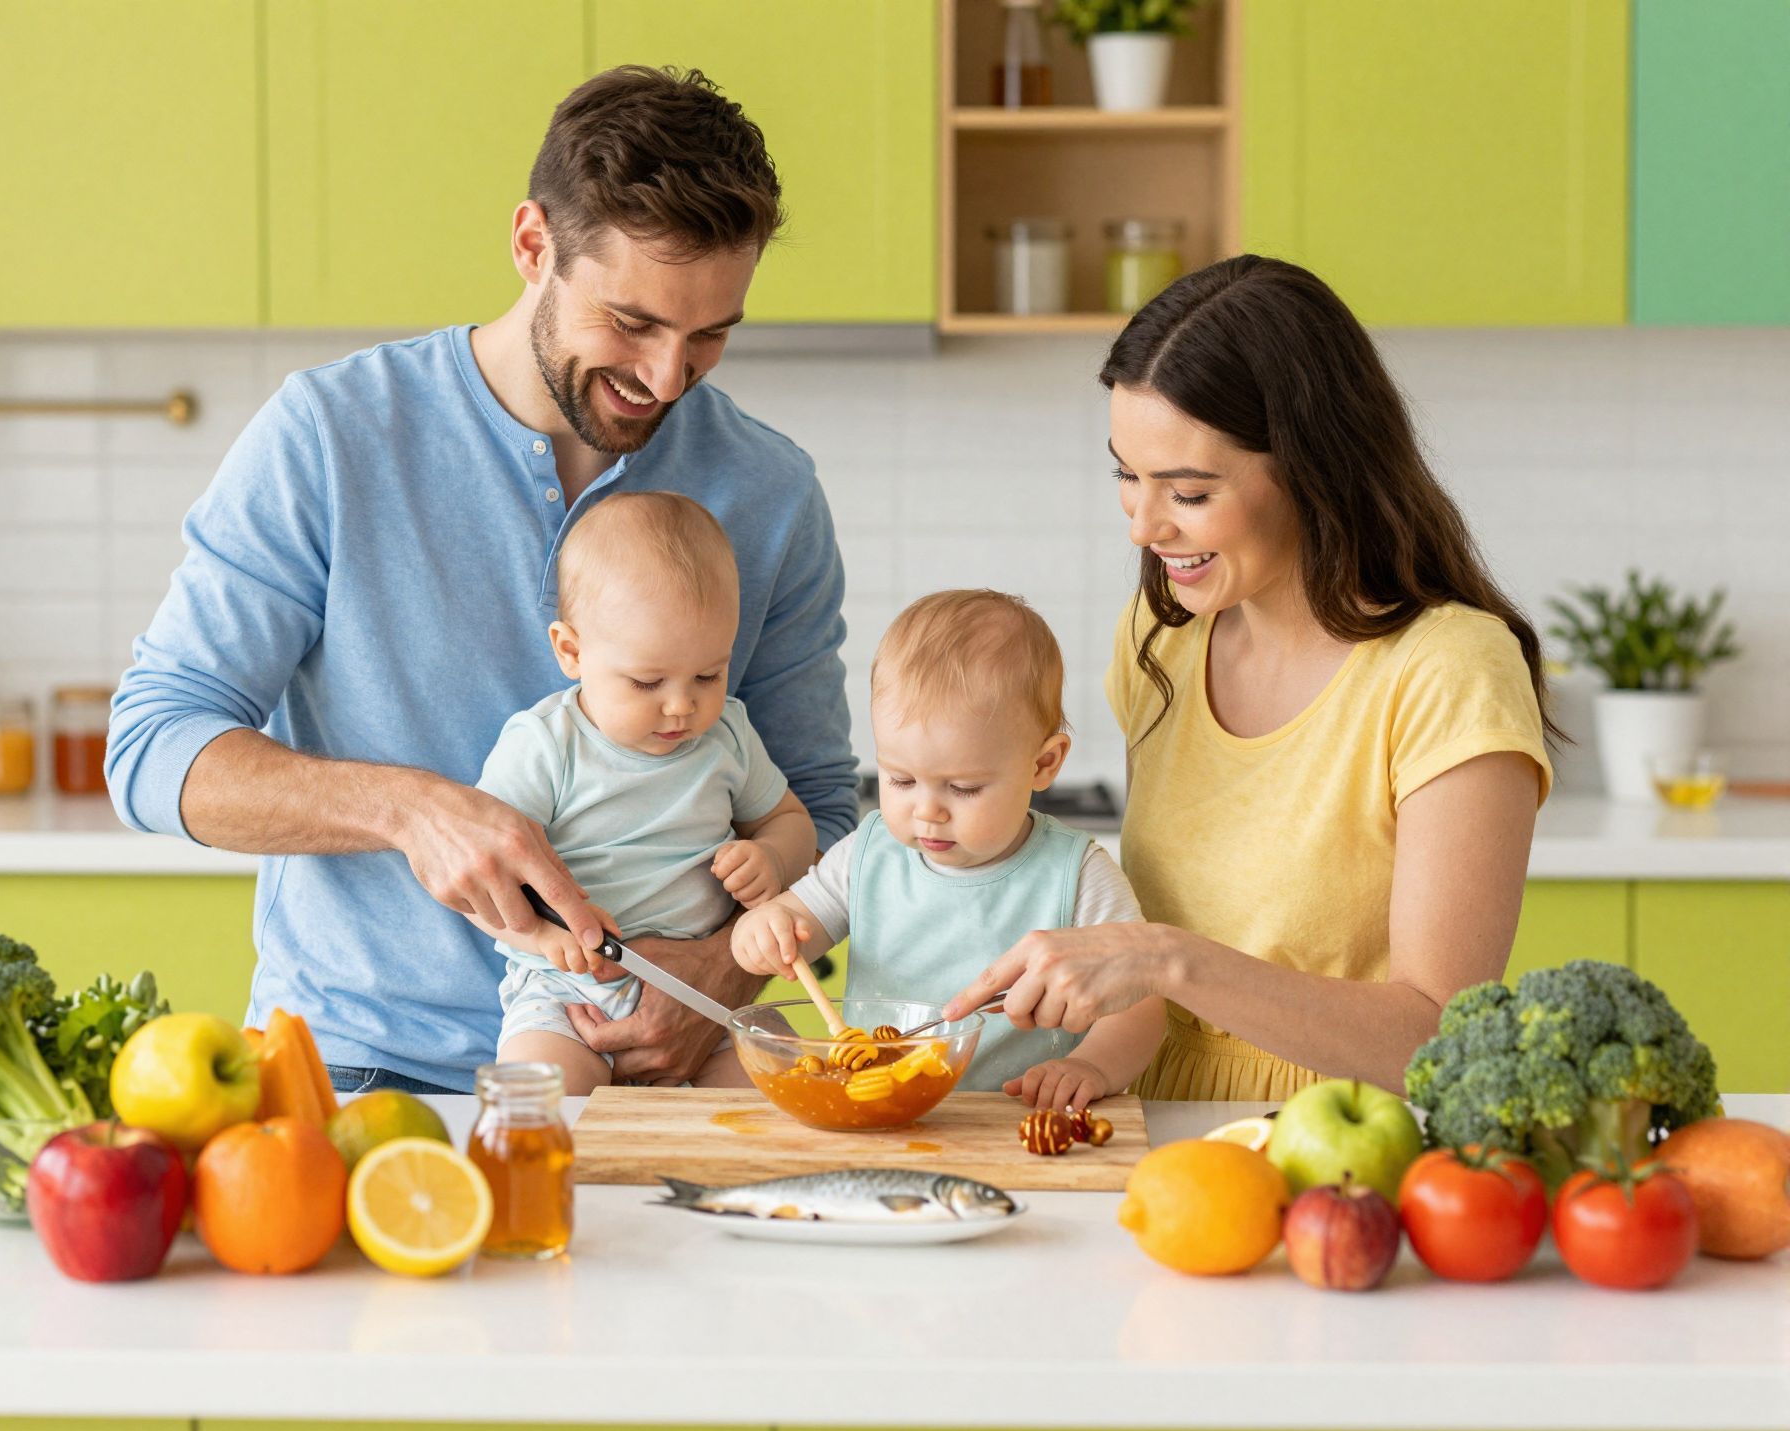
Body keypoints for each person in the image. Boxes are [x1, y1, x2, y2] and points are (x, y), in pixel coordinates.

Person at [107, 66, 857, 1092]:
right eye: (632, 323)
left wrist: (721, 976)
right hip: (358, 1070)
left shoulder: (769, 493)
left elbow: (819, 807)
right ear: (532, 245)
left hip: (662, 1075)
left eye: (710, 335)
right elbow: (153, 746)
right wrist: (406, 810)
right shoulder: (331, 434)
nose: (667, 379)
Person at [944, 255, 1554, 1099]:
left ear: (1313, 468)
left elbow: (1435, 1035)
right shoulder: (1162, 637)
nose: (1144, 527)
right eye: (1127, 475)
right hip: (1141, 1117)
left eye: (1188, 493)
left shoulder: (1449, 669)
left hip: (1341, 1145)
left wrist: (1164, 959)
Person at [732, 590, 1158, 1113]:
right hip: (879, 1108)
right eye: (901, 779)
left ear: (1044, 764)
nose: (926, 811)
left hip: (1012, 1119)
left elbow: (1139, 1003)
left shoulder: (1077, 873)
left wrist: (1092, 1066)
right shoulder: (870, 851)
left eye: (963, 788)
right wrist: (763, 931)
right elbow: (796, 927)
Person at [472, 493, 815, 1094]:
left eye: (708, 675)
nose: (682, 705)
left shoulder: (727, 734)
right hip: (567, 996)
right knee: (536, 1104)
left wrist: (773, 858)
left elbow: (790, 820)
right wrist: (549, 939)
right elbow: (484, 881)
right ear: (570, 651)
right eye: (648, 681)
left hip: (705, 996)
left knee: (788, 1087)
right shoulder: (544, 745)